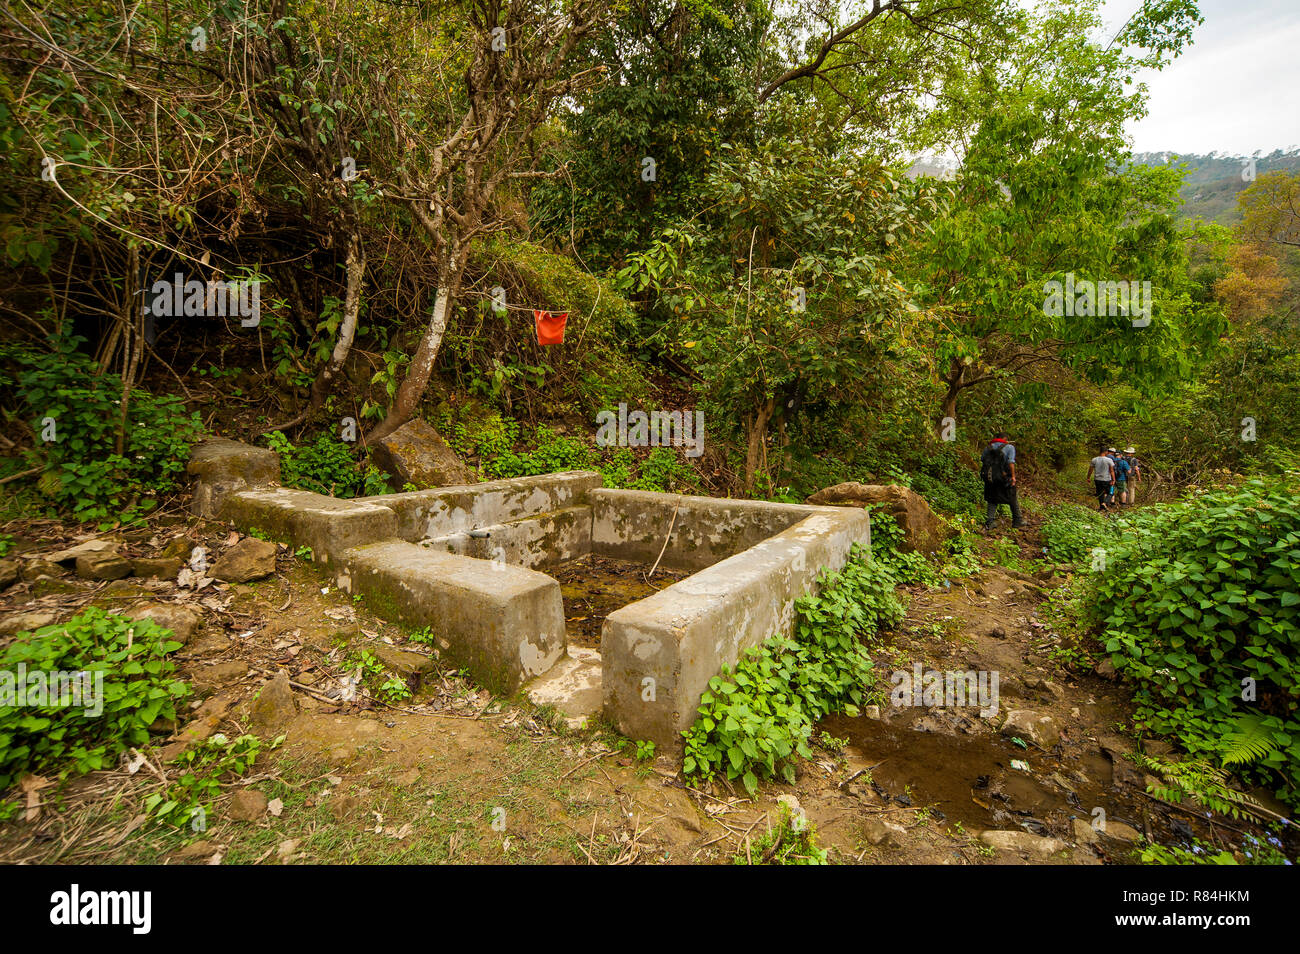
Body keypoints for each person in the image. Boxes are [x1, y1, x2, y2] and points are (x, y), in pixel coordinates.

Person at [980, 432, 1023, 530]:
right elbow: (1011, 463)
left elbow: (982, 459)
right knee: (1012, 496)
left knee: (992, 498)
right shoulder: (1009, 447)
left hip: (990, 477)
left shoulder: (988, 447)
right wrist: (1013, 476)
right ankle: (1017, 520)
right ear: (1005, 438)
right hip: (1004, 477)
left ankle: (989, 522)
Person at [1088, 445, 1115, 511]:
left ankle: (1101, 507)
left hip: (1097, 479)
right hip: (1106, 479)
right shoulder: (1109, 460)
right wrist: (1113, 479)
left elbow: (1090, 470)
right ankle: (1104, 503)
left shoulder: (1094, 459)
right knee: (1110, 492)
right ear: (1106, 452)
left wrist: (1088, 477)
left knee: (1100, 493)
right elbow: (1111, 470)